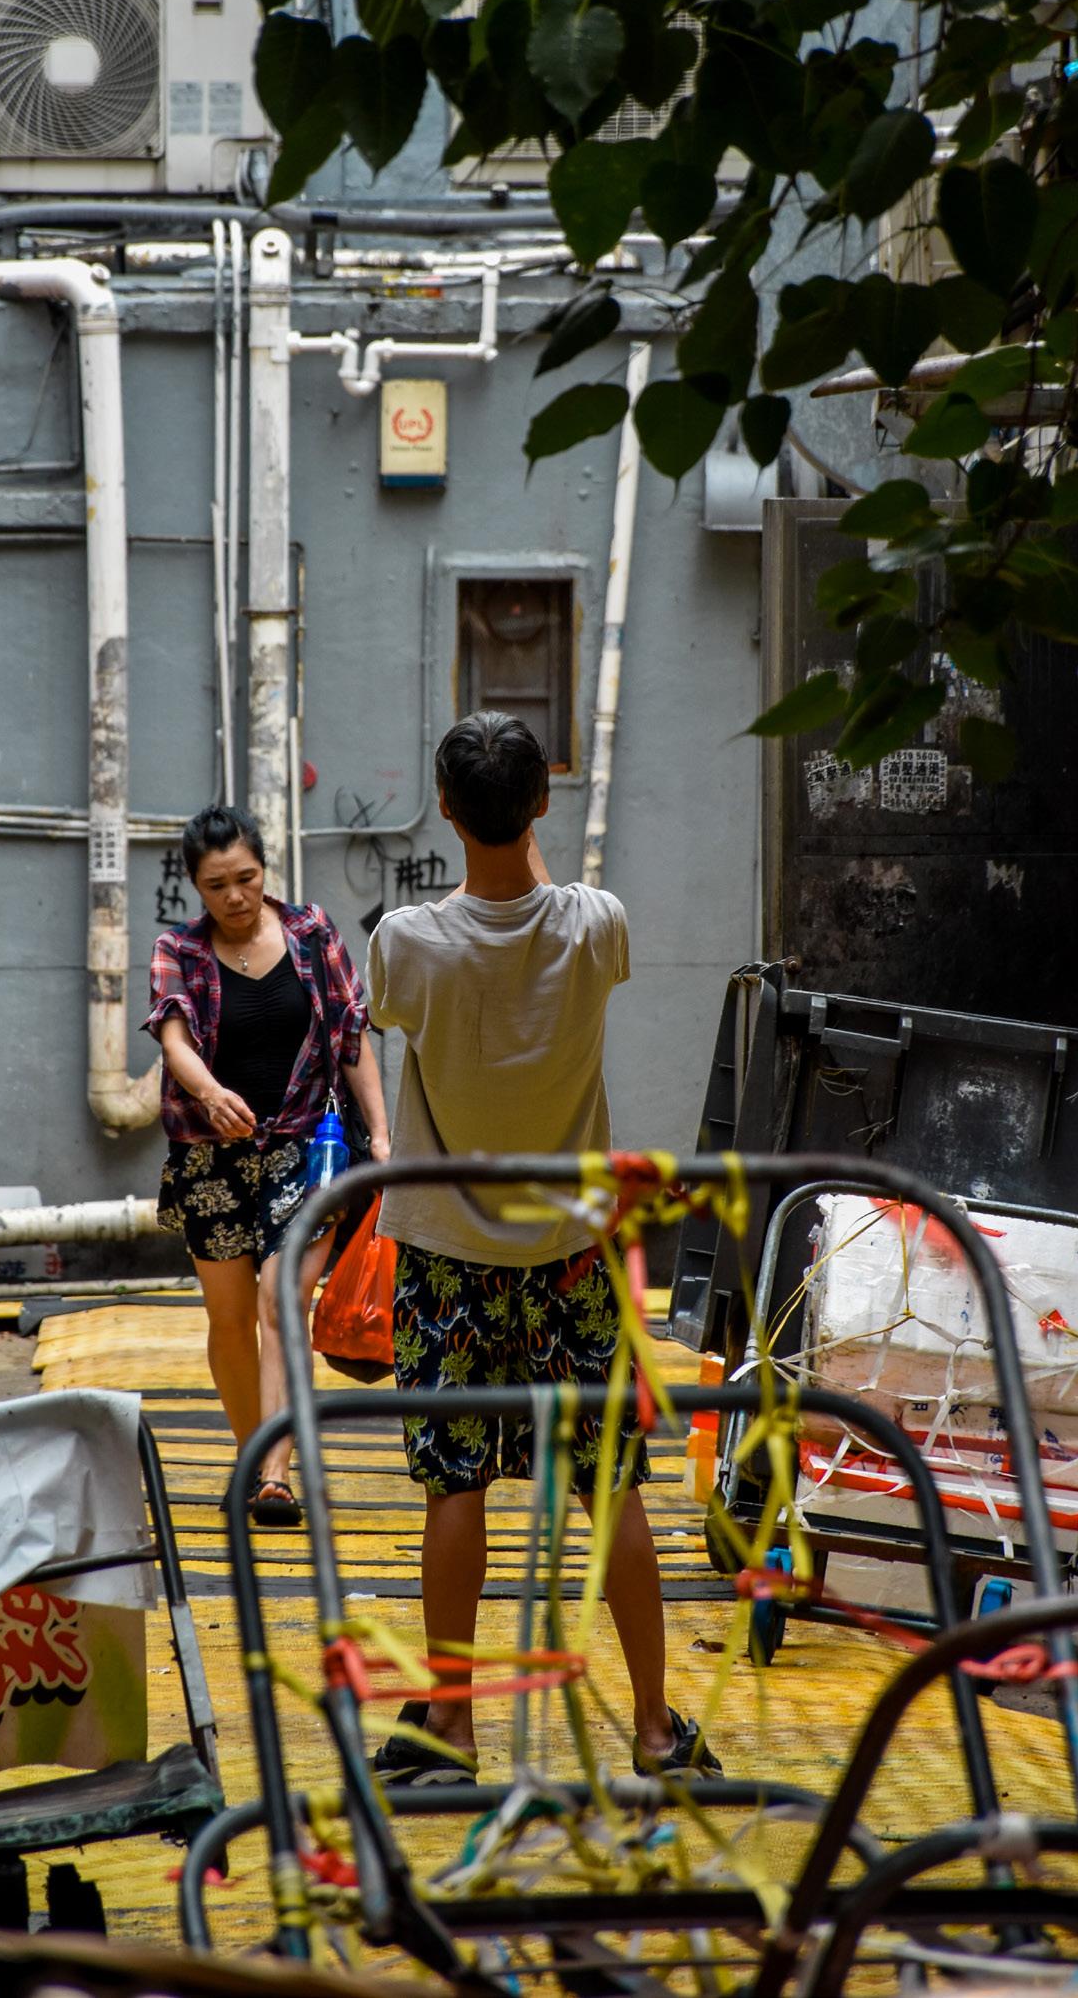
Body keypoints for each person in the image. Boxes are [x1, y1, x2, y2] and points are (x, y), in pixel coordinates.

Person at [364, 713, 721, 1784]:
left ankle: (450, 1726)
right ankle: (652, 1728)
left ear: (441, 805)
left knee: (454, 1484)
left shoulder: (406, 942)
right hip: (571, 1252)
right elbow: (548, 905)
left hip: (446, 1251)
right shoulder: (595, 924)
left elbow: (392, 1011)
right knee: (609, 1485)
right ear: (542, 804)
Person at [145, 803, 389, 1526]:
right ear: (196, 886)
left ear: (264, 868)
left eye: (246, 877)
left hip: (306, 1151)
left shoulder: (313, 934)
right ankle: (253, 1456)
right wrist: (210, 1092)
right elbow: (173, 1037)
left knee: (280, 1301)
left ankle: (276, 1474)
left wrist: (382, 1135)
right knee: (227, 1319)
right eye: (217, 884)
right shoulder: (179, 950)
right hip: (210, 1158)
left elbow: (351, 1036)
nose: (235, 896)